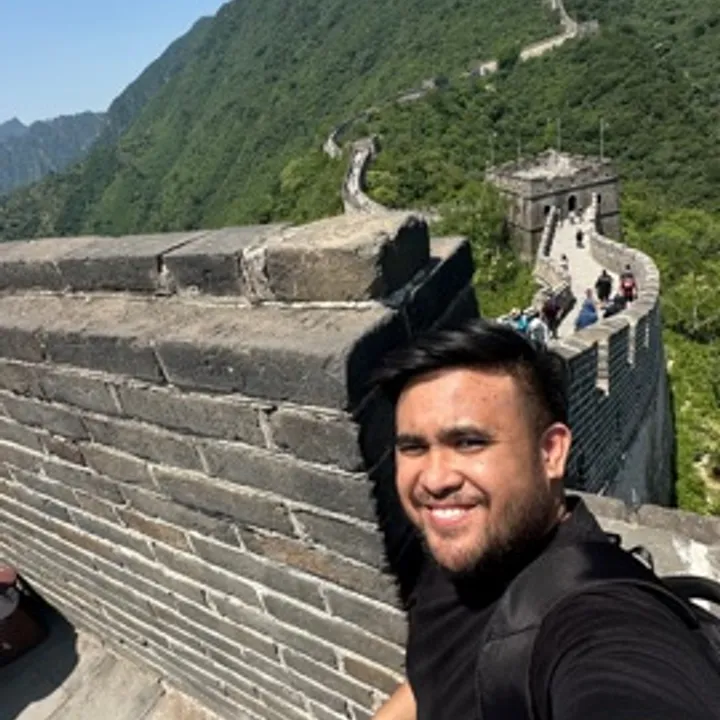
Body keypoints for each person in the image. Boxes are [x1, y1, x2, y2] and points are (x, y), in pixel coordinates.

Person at [371, 320, 720, 720]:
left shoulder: (597, 619)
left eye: (469, 443)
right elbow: (435, 673)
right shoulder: (462, 547)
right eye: (413, 447)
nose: (434, 480)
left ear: (551, 452)